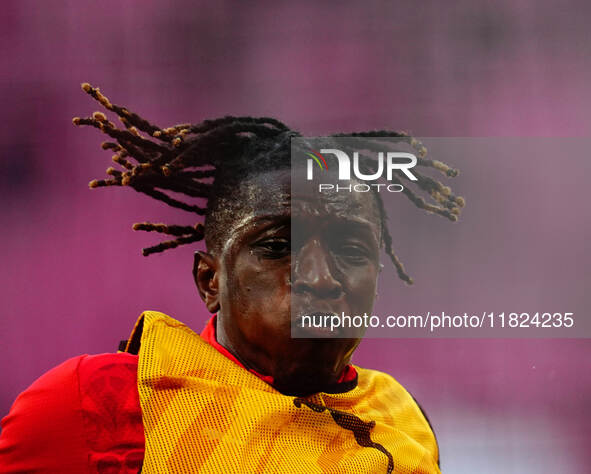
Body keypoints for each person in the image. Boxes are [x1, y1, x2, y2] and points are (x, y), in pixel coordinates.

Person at [0, 84, 464, 473]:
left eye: (351, 250)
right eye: (277, 247)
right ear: (210, 281)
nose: (321, 278)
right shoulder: (96, 404)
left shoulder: (401, 419)